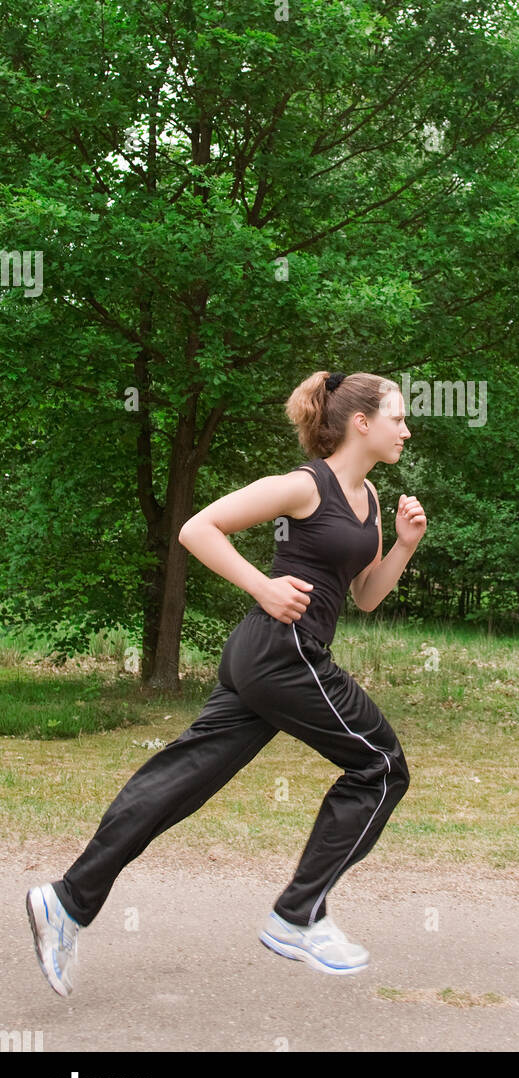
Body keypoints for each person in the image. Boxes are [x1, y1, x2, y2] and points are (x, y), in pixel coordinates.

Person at [27, 371, 425, 992]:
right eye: (398, 417)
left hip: (268, 659)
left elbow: (367, 597)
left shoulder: (370, 503)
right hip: (282, 652)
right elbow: (196, 529)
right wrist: (263, 587)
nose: (406, 428)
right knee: (382, 765)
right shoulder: (303, 485)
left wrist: (402, 546)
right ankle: (298, 916)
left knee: (180, 778)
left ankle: (67, 900)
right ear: (361, 423)